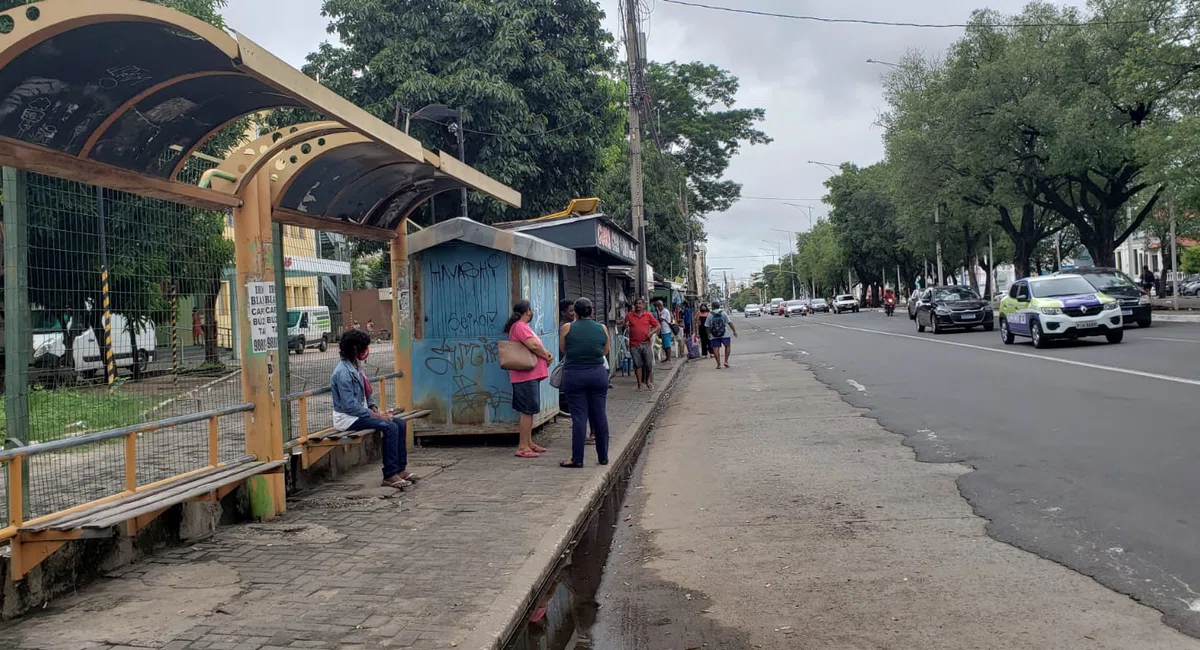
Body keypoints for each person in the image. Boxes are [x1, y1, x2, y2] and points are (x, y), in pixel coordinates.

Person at [331, 330, 415, 489]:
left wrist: (375, 408)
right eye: (363, 348)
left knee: (400, 423)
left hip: (361, 414)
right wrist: (375, 416)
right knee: (389, 427)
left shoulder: (356, 366)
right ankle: (390, 475)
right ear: (355, 349)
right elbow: (349, 407)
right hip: (348, 418)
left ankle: (400, 469)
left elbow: (367, 394)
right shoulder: (342, 373)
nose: (365, 351)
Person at [558, 298, 611, 468]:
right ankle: (603, 457)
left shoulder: (567, 328)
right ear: (592, 312)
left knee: (579, 418)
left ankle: (577, 459)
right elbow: (605, 350)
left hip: (574, 375)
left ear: (576, 313)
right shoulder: (602, 328)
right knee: (600, 416)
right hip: (598, 374)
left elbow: (563, 349)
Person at [504, 301, 554, 458]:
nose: (532, 312)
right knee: (527, 410)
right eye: (531, 309)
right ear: (527, 311)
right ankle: (522, 447)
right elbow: (533, 345)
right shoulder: (520, 326)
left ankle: (528, 442)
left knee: (529, 410)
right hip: (525, 376)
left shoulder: (520, 326)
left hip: (529, 375)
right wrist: (546, 355)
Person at [623, 298, 659, 391]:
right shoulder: (629, 315)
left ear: (643, 305)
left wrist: (651, 333)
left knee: (648, 364)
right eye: (636, 304)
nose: (638, 305)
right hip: (634, 344)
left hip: (646, 343)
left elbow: (657, 326)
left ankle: (647, 381)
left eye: (640, 304)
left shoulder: (648, 315)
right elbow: (625, 326)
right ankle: (639, 385)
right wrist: (626, 326)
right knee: (637, 364)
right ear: (634, 306)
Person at [705, 301, 738, 369]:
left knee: (716, 348)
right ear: (719, 306)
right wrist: (734, 331)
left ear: (712, 307)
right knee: (727, 346)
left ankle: (718, 364)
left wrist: (708, 334)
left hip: (714, 334)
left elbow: (707, 326)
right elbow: (730, 323)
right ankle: (726, 361)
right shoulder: (723, 313)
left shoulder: (710, 315)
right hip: (724, 333)